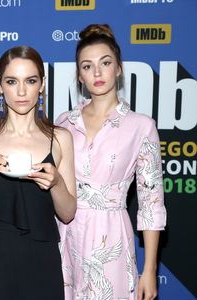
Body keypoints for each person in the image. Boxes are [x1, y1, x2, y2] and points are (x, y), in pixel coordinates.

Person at [56, 24, 167, 300]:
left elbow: (151, 203)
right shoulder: (63, 123)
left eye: (105, 63)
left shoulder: (141, 127)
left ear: (118, 68)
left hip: (110, 239)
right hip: (64, 236)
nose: (97, 73)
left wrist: (150, 269)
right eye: (87, 66)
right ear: (79, 75)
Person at [0, 46, 77, 300]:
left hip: (41, 258)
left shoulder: (61, 138)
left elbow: (67, 214)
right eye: (12, 81)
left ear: (41, 85)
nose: (21, 91)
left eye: (30, 81)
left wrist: (56, 183)